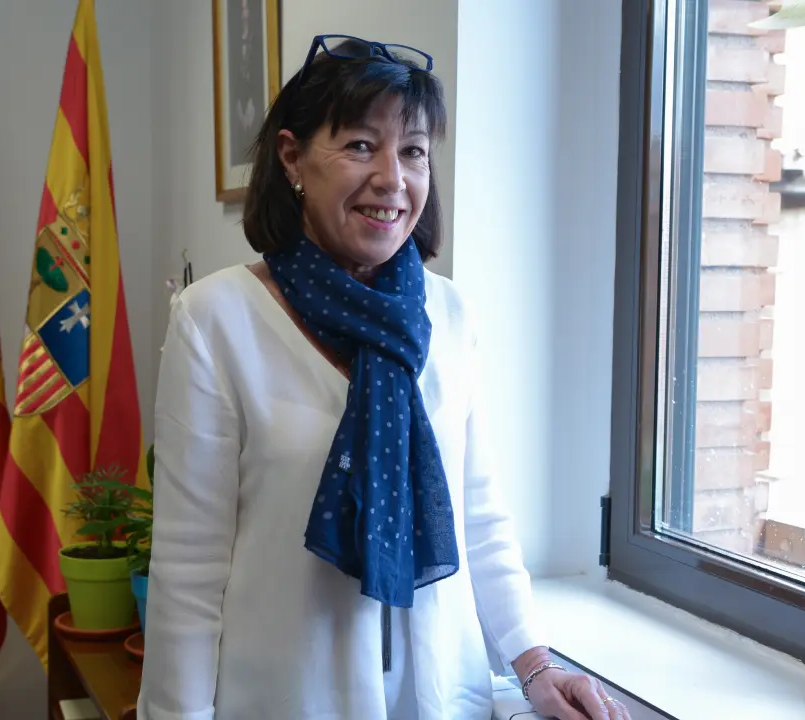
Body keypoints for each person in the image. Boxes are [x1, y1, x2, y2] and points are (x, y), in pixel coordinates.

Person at [137, 34, 631, 720]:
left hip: (440, 698)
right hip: (286, 699)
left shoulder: (447, 314)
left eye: (414, 151)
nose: (393, 178)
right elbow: (189, 572)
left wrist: (535, 664)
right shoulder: (217, 319)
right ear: (292, 158)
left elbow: (478, 515)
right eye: (361, 145)